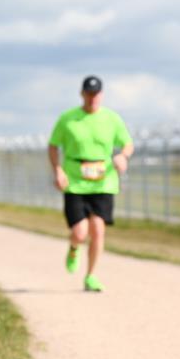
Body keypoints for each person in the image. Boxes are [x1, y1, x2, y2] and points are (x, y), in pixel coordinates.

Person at [48, 75, 133, 292]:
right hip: (75, 182)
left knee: (98, 229)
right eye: (89, 93)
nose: (92, 98)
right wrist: (57, 170)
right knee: (80, 232)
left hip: (103, 182)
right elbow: (53, 145)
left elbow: (127, 144)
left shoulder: (112, 119)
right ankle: (74, 248)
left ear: (101, 95)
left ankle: (91, 276)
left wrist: (123, 156)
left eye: (96, 94)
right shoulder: (68, 119)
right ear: (82, 94)